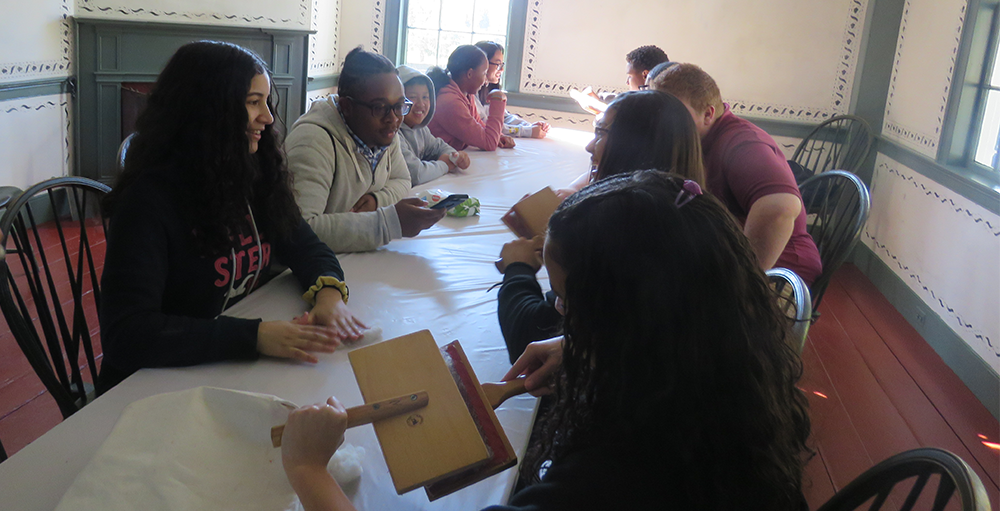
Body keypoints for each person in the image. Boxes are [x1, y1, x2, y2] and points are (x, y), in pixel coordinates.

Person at [280, 171, 812, 511]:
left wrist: (308, 471)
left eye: (565, 300)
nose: (559, 313)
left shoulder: (611, 481)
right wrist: (582, 349)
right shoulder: (726, 379)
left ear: (624, 319)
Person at [98, 41, 367, 392]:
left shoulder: (251, 172)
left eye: (266, 102)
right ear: (209, 110)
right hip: (152, 388)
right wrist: (256, 336)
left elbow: (306, 246)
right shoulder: (148, 201)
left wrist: (329, 296)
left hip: (226, 369)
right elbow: (128, 334)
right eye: (254, 103)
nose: (268, 117)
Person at [498, 90, 706, 361]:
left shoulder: (617, 238)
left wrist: (518, 269)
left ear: (634, 144)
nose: (589, 146)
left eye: (601, 133)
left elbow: (533, 338)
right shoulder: (688, 210)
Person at [649, 63, 822, 285]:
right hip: (728, 252)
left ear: (708, 114)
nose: (662, 123)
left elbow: (780, 207)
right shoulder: (696, 138)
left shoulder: (742, 142)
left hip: (782, 272)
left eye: (673, 114)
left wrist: (742, 282)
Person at [286, 47, 445, 253]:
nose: (394, 118)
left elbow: (402, 180)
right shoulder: (313, 142)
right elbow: (299, 229)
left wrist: (377, 201)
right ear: (346, 106)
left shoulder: (385, 130)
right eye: (379, 107)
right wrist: (388, 223)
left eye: (399, 106)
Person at [427, 45, 516, 151]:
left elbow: (478, 125)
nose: (485, 81)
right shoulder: (450, 101)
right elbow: (489, 143)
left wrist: (500, 136)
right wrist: (499, 101)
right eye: (484, 73)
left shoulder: (467, 94)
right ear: (470, 74)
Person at [396, 65, 471, 186]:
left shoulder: (420, 128)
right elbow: (415, 174)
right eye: (413, 97)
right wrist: (445, 165)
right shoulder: (394, 133)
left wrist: (456, 157)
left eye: (425, 97)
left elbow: (438, 146)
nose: (421, 104)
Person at [473, 40, 550, 139]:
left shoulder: (490, 89)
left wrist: (529, 126)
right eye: (497, 64)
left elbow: (505, 117)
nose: (501, 70)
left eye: (502, 65)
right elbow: (487, 126)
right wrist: (527, 131)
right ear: (483, 64)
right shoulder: (471, 94)